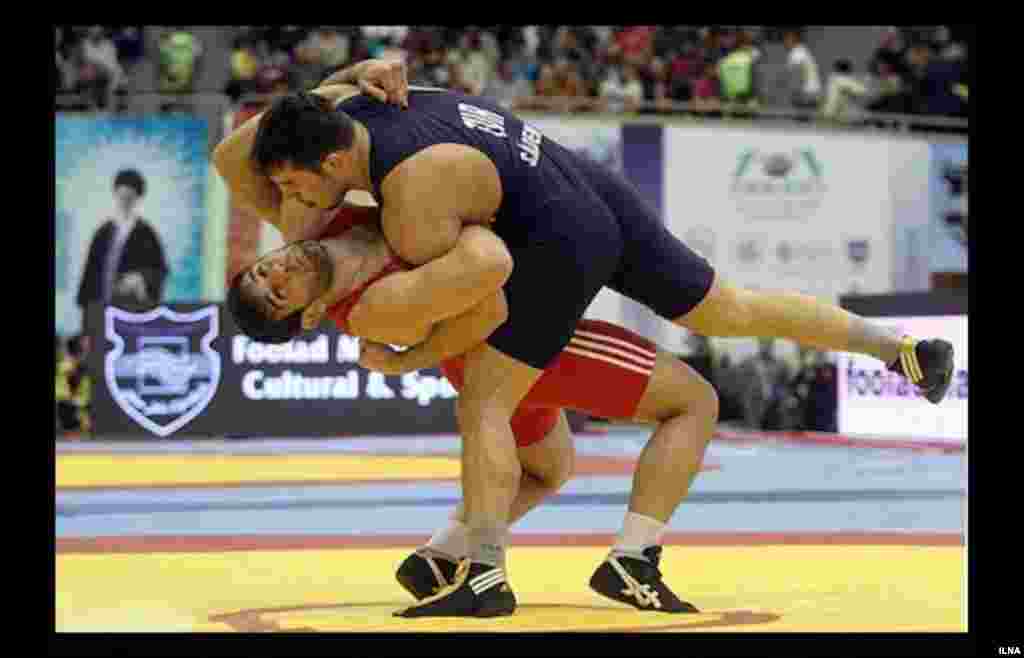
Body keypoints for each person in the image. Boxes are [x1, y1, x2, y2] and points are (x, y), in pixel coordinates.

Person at [212, 58, 955, 618]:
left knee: (485, 404)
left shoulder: (403, 200)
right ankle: (893, 348)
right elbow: (245, 155)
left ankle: (485, 573)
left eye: (299, 186)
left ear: (333, 161)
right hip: (578, 183)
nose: (292, 206)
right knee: (723, 308)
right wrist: (345, 74)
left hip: (559, 235)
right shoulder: (363, 108)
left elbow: (491, 280)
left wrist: (411, 355)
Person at [227, 203, 715, 614]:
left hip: (482, 368)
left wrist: (349, 83)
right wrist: (404, 363)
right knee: (694, 402)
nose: (276, 272)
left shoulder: (317, 222)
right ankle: (632, 558)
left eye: (261, 269)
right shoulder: (370, 306)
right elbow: (487, 308)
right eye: (276, 293)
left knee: (548, 470)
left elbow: (240, 156)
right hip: (525, 345)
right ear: (309, 314)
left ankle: (442, 554)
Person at [76, 169, 168, 328]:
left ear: (137, 199)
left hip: (130, 311)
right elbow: (90, 274)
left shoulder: (146, 233)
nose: (125, 202)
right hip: (100, 307)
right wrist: (86, 310)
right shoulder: (103, 232)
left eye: (129, 198)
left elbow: (158, 270)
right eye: (121, 197)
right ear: (116, 196)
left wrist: (139, 279)